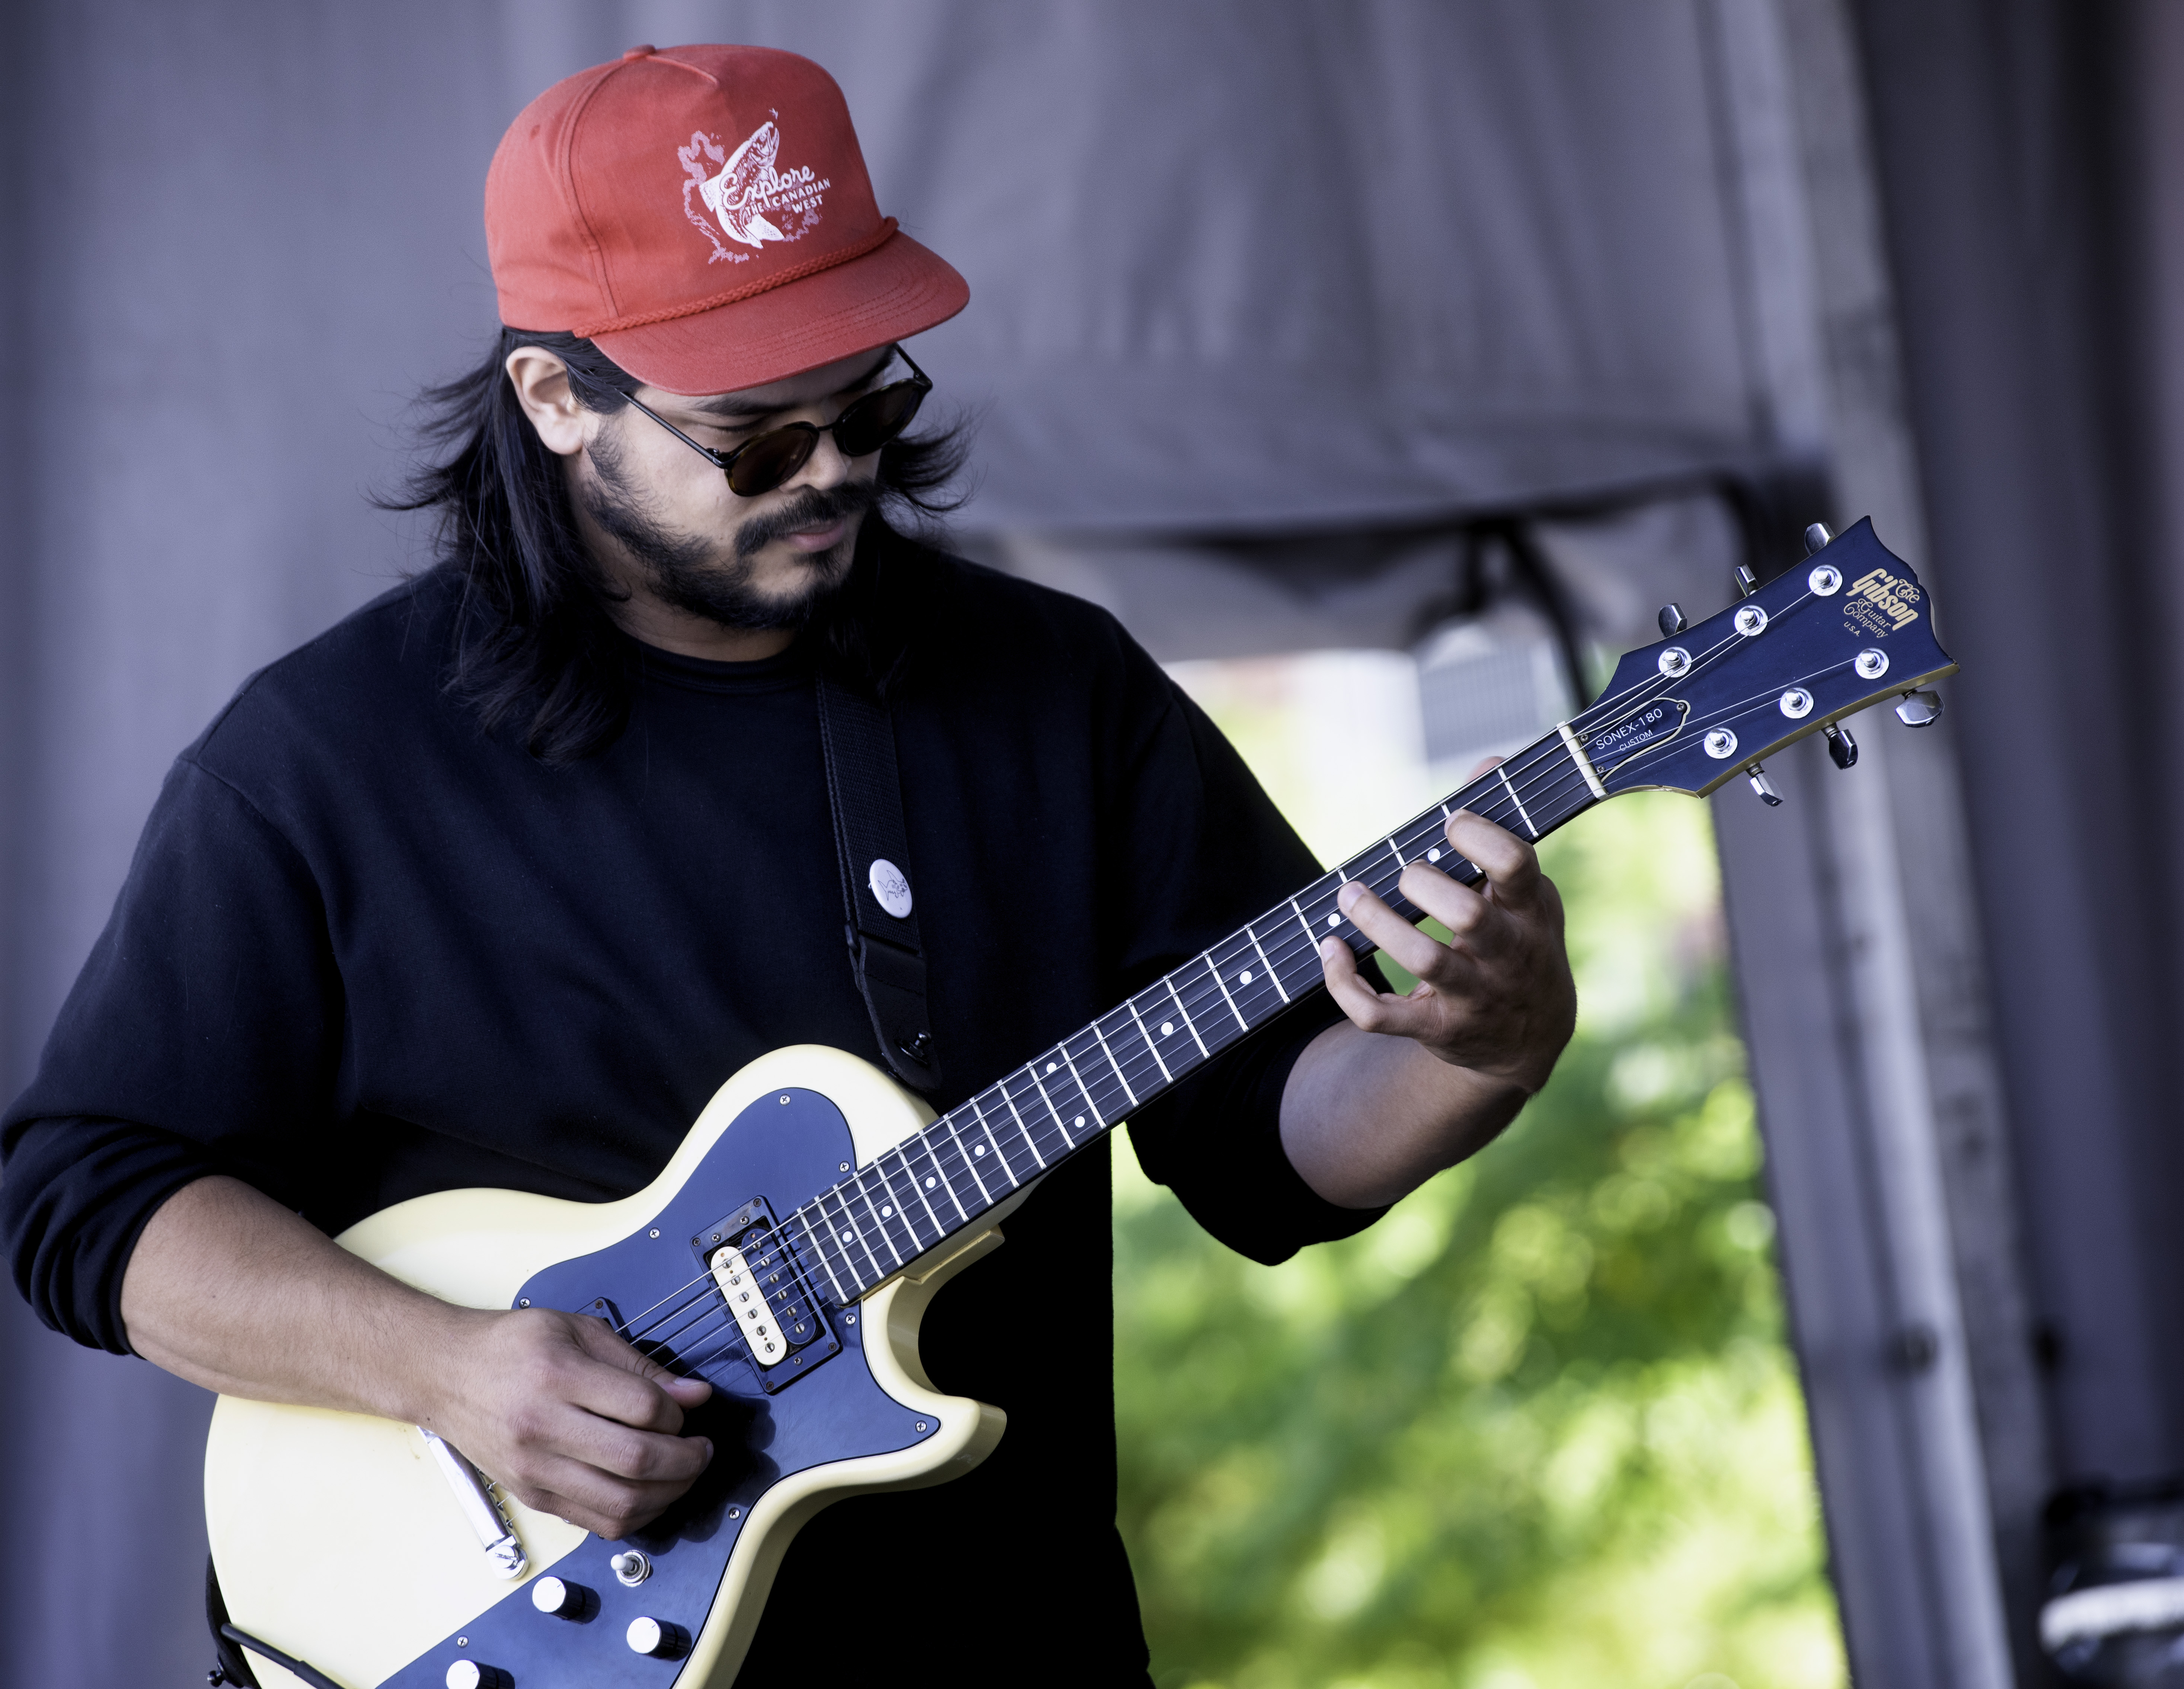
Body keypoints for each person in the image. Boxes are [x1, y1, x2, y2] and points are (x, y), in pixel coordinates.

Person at [0, 43, 1575, 1685]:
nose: (831, 470)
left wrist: (1487, 1049)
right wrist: (451, 1369)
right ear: (557, 400)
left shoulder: (1056, 694)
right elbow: (85, 1196)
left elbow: (1269, 1140)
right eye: (755, 438)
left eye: (867, 406)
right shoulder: (323, 759)